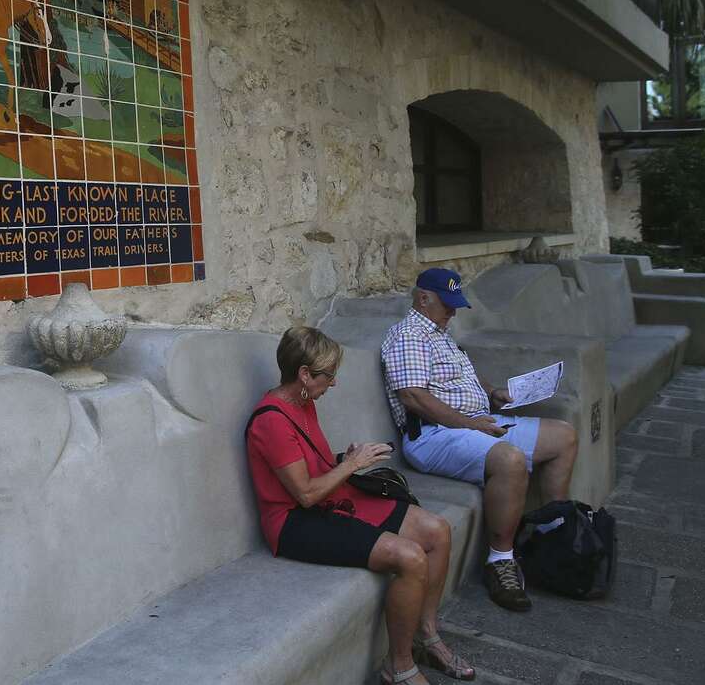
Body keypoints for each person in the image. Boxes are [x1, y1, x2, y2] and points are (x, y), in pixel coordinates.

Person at [246, 327, 475, 685]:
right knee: (411, 557)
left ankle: (426, 636)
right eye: (328, 375)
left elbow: (312, 468)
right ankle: (399, 667)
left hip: (327, 501)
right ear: (304, 374)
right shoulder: (272, 420)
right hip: (295, 522)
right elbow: (304, 494)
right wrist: (351, 465)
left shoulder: (304, 402)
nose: (333, 383)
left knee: (438, 531)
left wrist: (346, 458)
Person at [381, 269, 579, 612]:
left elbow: (462, 376)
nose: (453, 312)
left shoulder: (439, 333)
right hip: (434, 435)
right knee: (510, 460)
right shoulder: (409, 336)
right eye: (448, 305)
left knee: (563, 436)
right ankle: (500, 561)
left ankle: (552, 533)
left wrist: (493, 393)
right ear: (424, 299)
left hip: (475, 423)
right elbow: (414, 397)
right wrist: (470, 425)